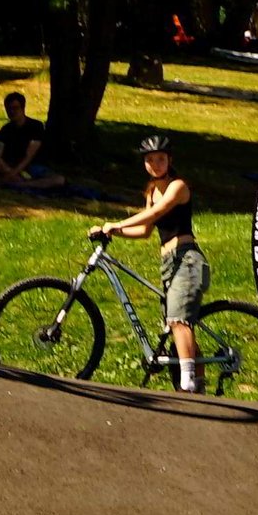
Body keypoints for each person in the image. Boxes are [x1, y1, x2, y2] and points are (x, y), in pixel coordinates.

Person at [90, 135, 204, 391]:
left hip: (187, 259)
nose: (156, 164)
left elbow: (154, 214)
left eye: (161, 159)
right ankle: (200, 386)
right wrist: (112, 232)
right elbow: (145, 230)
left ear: (170, 160)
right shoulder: (151, 191)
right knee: (178, 324)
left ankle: (187, 383)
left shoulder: (178, 186)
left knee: (178, 321)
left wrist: (117, 223)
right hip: (168, 262)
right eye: (150, 160)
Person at [0, 92, 65, 190]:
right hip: (10, 166)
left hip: (33, 167)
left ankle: (21, 184)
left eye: (15, 108)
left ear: (23, 108)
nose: (12, 112)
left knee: (59, 180)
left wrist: (12, 175)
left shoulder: (36, 126)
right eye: (9, 109)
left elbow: (29, 156)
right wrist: (8, 170)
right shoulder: (5, 130)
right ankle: (18, 182)